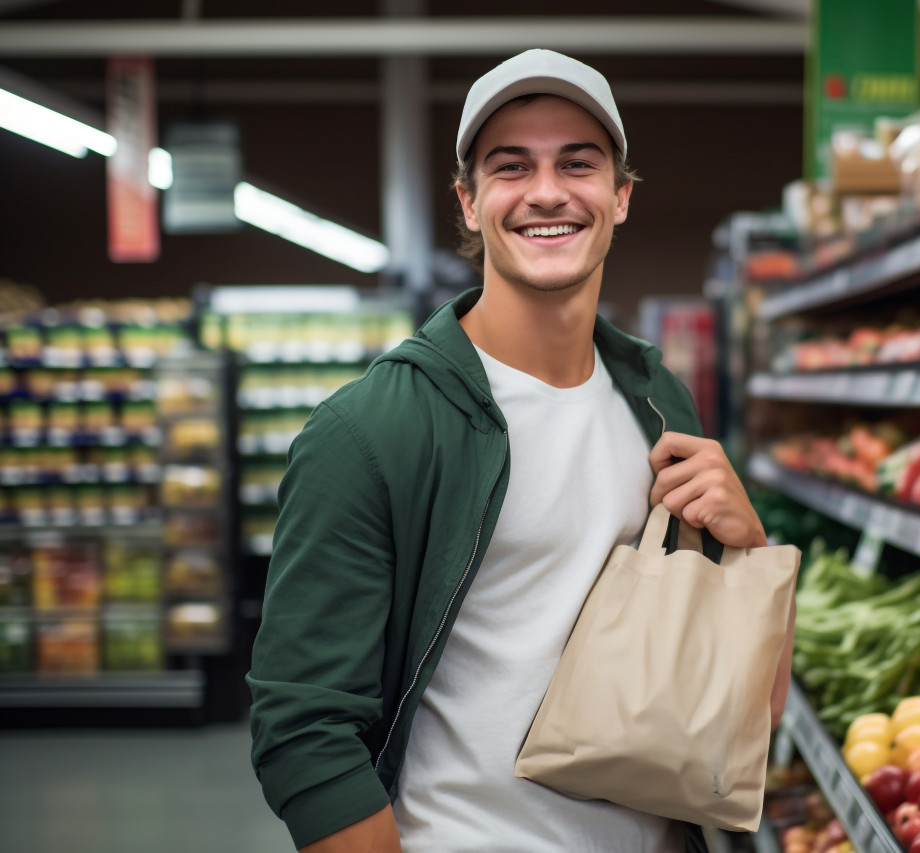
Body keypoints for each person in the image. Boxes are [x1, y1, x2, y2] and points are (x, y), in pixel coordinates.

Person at [247, 49, 793, 853]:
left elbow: (738, 694)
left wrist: (749, 550)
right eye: (511, 167)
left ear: (621, 196)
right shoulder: (370, 433)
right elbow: (304, 731)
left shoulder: (658, 402)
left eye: (579, 162)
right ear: (468, 202)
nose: (546, 191)